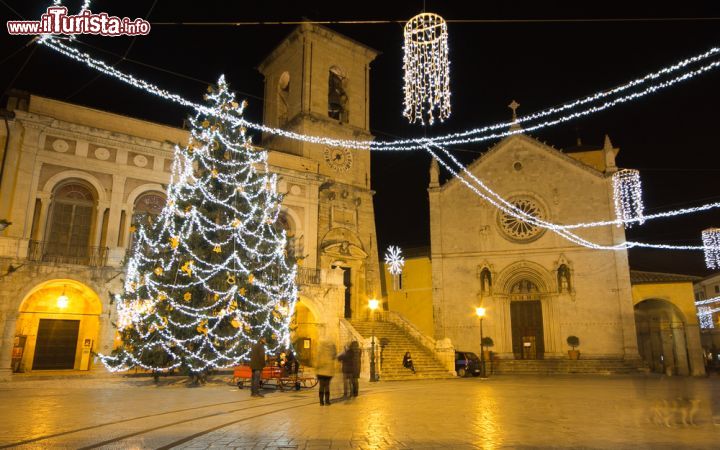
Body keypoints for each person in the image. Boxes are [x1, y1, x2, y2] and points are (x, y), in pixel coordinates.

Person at [316, 340, 337, 405]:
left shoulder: (319, 352)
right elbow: (334, 357)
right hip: (328, 372)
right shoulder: (331, 352)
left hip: (320, 372)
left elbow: (316, 362)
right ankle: (327, 401)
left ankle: (321, 402)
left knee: (321, 386)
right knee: (327, 386)